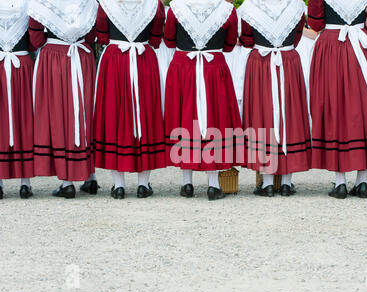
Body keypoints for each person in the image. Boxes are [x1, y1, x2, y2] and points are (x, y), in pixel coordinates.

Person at [307, 0, 367, 199]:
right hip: (362, 46)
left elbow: (315, 24)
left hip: (331, 46)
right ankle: (362, 180)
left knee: (335, 107)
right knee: (362, 107)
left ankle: (340, 182)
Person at [164, 0, 243, 201]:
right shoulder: (227, 10)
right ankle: (213, 184)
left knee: (184, 119)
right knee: (214, 118)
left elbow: (169, 40)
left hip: (183, 66)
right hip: (213, 67)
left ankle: (186, 182)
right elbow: (230, 44)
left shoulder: (176, 8)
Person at [238, 0, 312, 197]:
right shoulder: (295, 5)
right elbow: (297, 38)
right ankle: (287, 182)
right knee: (290, 114)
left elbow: (246, 40)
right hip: (288, 61)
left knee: (262, 114)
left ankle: (267, 182)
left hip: (261, 62)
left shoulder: (249, 6)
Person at [94, 0, 166, 200]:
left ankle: (119, 185)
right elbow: (155, 40)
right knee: (145, 114)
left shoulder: (106, 4)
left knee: (114, 114)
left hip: (115, 60)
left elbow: (102, 36)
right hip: (144, 60)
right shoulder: (155, 4)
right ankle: (143, 184)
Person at [28, 0, 99, 199]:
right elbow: (93, 35)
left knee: (60, 114)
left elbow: (36, 39)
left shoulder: (42, 3)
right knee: (84, 113)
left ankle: (67, 182)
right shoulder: (88, 3)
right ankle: (90, 177)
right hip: (82, 57)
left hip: (54, 59)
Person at [0, 0, 34, 200]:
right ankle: (25, 182)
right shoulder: (26, 5)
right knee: (25, 119)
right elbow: (33, 41)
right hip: (22, 65)